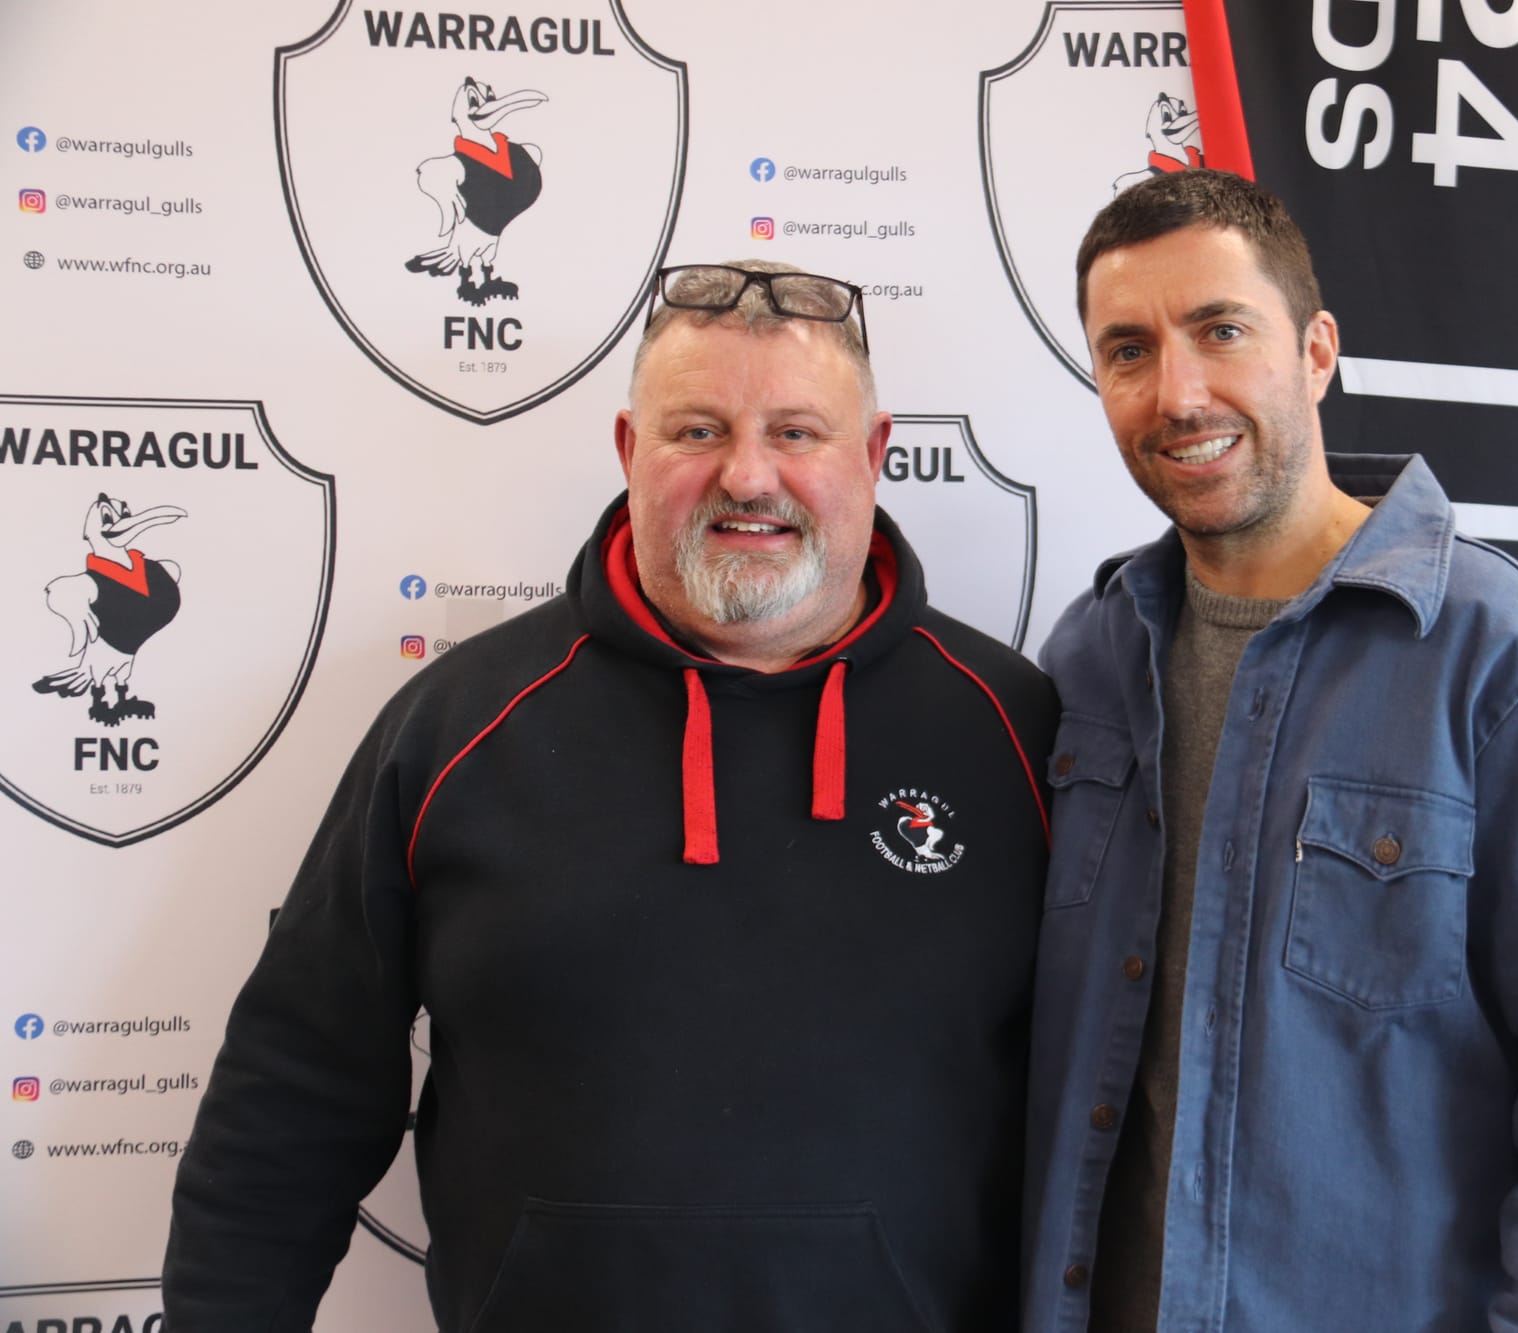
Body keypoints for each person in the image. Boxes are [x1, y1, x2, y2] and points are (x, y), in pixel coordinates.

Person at [165, 261, 1056, 1332]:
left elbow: (1110, 1105)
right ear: (631, 450)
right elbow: (293, 1089)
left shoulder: (1016, 729)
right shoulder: (457, 728)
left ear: (872, 455)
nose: (746, 476)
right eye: (696, 431)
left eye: (796, 433)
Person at [1023, 171, 1518, 1331]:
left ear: (1315, 351)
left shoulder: (1509, 662)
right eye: (1127, 350)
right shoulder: (1088, 656)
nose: (1177, 392)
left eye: (1220, 331)